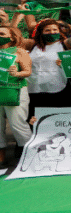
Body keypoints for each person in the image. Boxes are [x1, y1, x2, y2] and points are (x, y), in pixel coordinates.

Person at [0, 25, 32, 164]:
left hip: (14, 90)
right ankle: (1, 153)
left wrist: (16, 73)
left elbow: (28, 71)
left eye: (1, 33)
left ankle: (30, 153)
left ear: (12, 37)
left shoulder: (19, 52)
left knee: (17, 124)